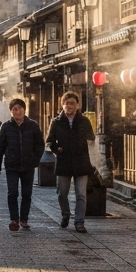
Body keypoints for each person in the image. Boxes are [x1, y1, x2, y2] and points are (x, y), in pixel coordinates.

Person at [47, 92, 97, 232]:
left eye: (72, 103)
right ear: (62, 105)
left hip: (81, 162)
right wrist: (57, 150)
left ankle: (79, 221)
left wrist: (93, 160)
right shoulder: (56, 122)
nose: (69, 106)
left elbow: (91, 140)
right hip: (64, 161)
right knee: (62, 193)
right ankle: (65, 214)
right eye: (66, 103)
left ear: (77, 105)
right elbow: (50, 141)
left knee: (81, 194)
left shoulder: (84, 121)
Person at [0, 98, 44, 232]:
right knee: (12, 192)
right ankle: (14, 219)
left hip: (28, 165)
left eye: (20, 108)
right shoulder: (6, 126)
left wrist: (35, 159)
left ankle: (24, 219)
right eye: (15, 109)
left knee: (27, 193)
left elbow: (40, 145)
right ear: (11, 111)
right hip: (12, 165)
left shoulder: (32, 125)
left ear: (24, 110)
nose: (18, 111)